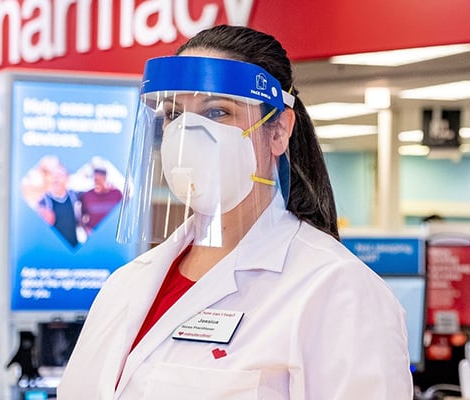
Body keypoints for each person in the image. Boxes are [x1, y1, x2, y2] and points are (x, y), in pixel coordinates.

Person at [58, 26, 411, 399]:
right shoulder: (126, 285)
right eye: (175, 114)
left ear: (278, 131)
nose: (187, 132)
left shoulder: (337, 290)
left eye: (217, 111)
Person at [35, 157, 83, 247]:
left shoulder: (74, 196)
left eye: (59, 175)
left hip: (74, 245)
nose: (56, 179)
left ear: (66, 177)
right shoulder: (44, 201)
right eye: (53, 175)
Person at [79, 167, 123, 234]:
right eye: (95, 180)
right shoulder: (87, 196)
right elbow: (81, 217)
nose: (97, 183)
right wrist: (86, 230)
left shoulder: (117, 194)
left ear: (105, 179)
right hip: (94, 234)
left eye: (99, 180)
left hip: (112, 233)